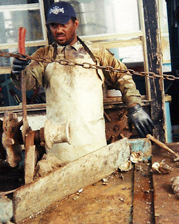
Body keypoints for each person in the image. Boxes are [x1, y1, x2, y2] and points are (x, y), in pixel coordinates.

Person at [11, 1, 154, 162]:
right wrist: (18, 72)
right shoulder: (44, 55)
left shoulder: (97, 53)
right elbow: (27, 82)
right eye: (53, 25)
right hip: (58, 150)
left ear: (75, 23)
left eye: (63, 24)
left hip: (93, 145)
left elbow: (122, 77)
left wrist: (134, 107)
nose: (58, 30)